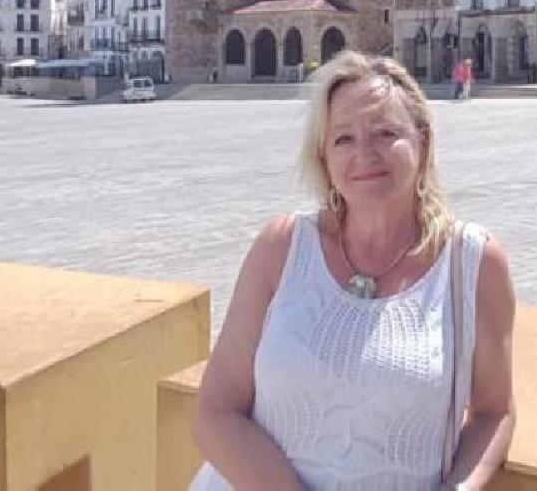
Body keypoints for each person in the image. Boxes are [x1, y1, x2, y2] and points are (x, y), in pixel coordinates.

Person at [193, 51, 516, 490]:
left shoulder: (473, 263)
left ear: (422, 143)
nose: (365, 153)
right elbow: (216, 411)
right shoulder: (282, 247)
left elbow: (494, 412)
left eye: (386, 133)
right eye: (343, 138)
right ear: (323, 156)